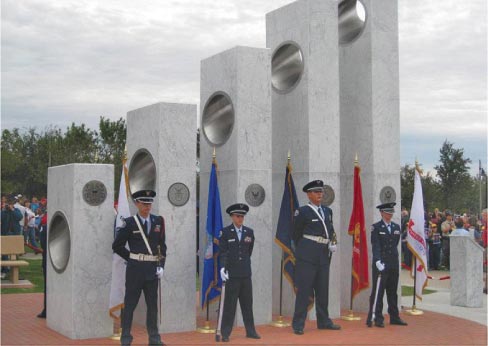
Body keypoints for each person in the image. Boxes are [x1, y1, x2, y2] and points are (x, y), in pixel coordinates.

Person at [112, 189, 167, 346]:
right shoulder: (129, 223)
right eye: (144, 203)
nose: (147, 206)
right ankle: (126, 338)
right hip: (135, 270)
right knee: (129, 305)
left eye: (149, 203)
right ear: (137, 203)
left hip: (152, 270)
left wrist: (161, 265)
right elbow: (117, 245)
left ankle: (154, 339)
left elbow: (162, 247)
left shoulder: (158, 221)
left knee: (152, 306)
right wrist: (131, 258)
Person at [291, 180, 340, 335]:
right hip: (307, 255)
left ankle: (324, 320)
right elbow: (296, 234)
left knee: (322, 290)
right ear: (309, 194)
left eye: (321, 192)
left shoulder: (327, 211)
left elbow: (331, 230)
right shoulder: (303, 211)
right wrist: (305, 249)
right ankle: (298, 323)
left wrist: (333, 242)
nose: (320, 194)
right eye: (316, 192)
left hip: (323, 255)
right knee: (304, 290)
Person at [218, 203, 260, 343]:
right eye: (237, 216)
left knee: (247, 304)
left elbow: (249, 251)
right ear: (232, 216)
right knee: (230, 305)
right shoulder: (225, 232)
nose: (240, 218)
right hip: (232, 274)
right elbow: (223, 252)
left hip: (245, 274)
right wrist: (223, 268)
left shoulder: (249, 232)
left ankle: (251, 331)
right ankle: (225, 332)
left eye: (242, 216)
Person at [366, 202, 407, 328]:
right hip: (381, 263)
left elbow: (394, 245)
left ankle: (394, 316)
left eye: (391, 212)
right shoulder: (376, 227)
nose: (390, 214)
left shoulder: (396, 227)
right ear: (382, 213)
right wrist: (377, 260)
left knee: (392, 291)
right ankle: (377, 317)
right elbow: (376, 245)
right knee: (378, 291)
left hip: (393, 263)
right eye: (387, 212)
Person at [37, 208, 48, 318]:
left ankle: (47, 310)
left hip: (48, 258)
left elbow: (43, 243)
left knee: (48, 285)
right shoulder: (45, 221)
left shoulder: (45, 221)